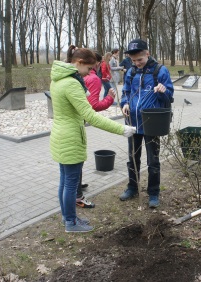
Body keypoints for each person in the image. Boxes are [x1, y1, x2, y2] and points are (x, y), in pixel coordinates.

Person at [49, 47, 136, 232]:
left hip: (59, 136)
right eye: (89, 69)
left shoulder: (58, 78)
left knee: (65, 181)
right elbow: (91, 116)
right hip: (70, 138)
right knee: (71, 184)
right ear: (78, 63)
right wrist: (122, 129)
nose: (91, 73)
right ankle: (71, 223)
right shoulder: (71, 84)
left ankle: (67, 219)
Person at [119, 39, 174, 208]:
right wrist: (124, 103)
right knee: (132, 158)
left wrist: (163, 91)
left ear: (147, 54)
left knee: (153, 161)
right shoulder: (131, 72)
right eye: (133, 61)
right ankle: (132, 187)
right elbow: (126, 92)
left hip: (152, 123)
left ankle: (153, 193)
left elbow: (169, 95)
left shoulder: (159, 71)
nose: (137, 63)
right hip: (133, 122)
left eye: (139, 60)